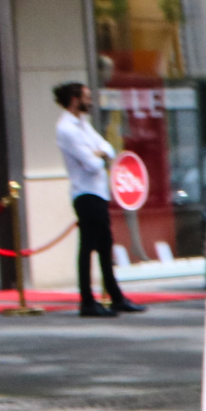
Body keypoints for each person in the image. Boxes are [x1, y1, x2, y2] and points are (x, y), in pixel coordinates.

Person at [53, 81, 140, 317]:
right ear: (74, 99)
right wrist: (99, 155)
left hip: (98, 192)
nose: (90, 101)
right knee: (88, 248)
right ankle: (87, 301)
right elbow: (92, 164)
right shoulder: (67, 128)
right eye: (86, 97)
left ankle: (115, 296)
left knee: (105, 246)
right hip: (85, 193)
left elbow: (107, 148)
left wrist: (100, 153)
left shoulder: (83, 124)